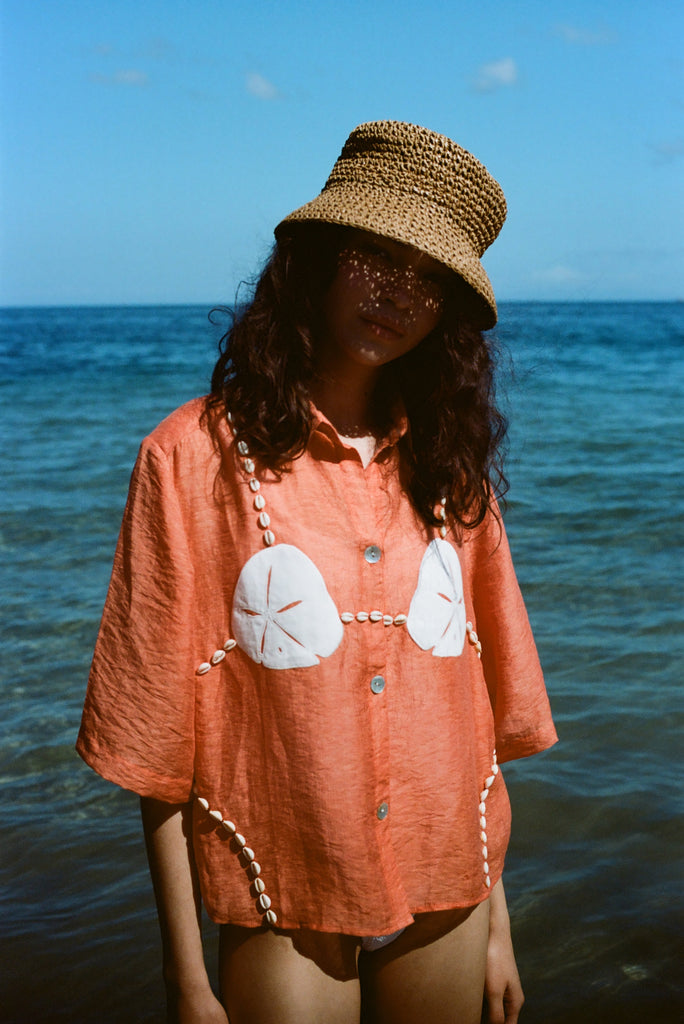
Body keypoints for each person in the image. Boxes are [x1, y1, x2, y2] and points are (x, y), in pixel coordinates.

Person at [77, 120, 557, 1024]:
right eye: (376, 256)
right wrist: (187, 983)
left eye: (429, 278)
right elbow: (157, 745)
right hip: (277, 877)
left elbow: (477, 719)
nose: (398, 295)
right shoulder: (189, 461)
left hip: (447, 876)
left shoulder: (451, 474)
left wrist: (499, 926)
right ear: (318, 258)